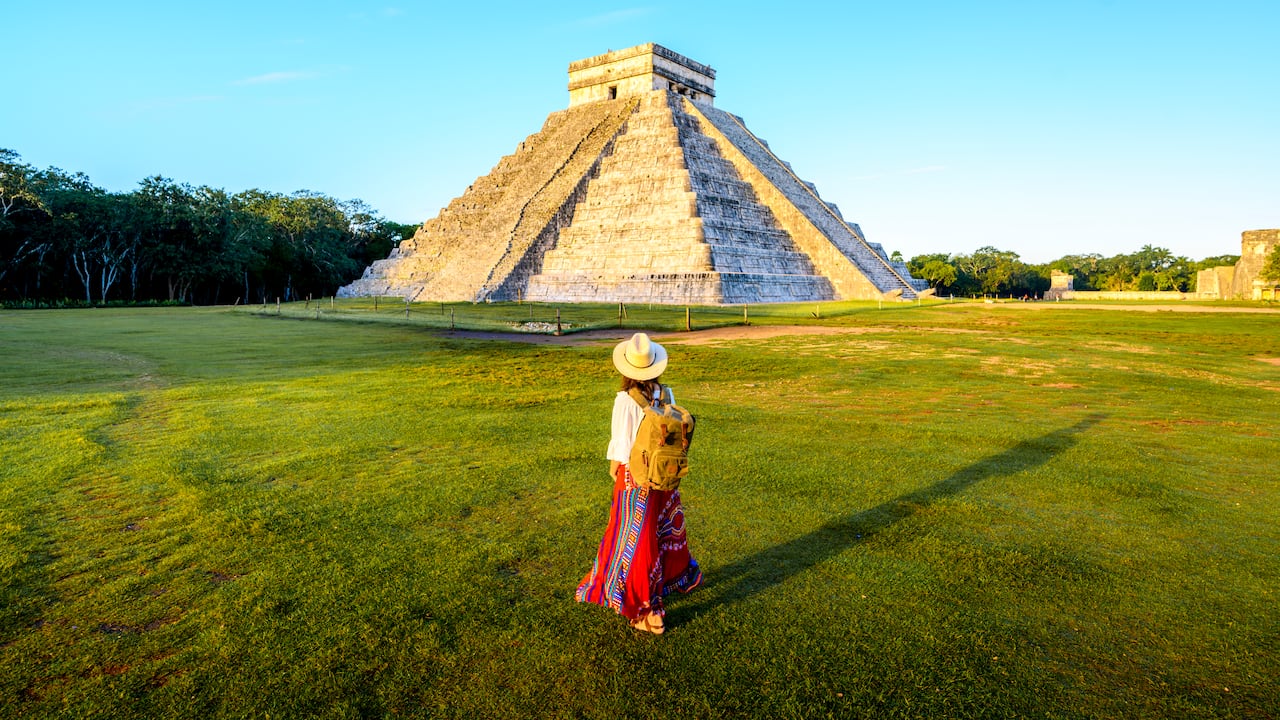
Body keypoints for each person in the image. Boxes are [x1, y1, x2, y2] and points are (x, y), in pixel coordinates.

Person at [574, 332, 702, 635]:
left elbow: (621, 447)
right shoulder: (666, 394)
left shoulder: (625, 400)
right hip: (664, 477)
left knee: (635, 540)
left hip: (636, 479)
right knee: (659, 533)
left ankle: (648, 610)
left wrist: (615, 472)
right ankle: (674, 580)